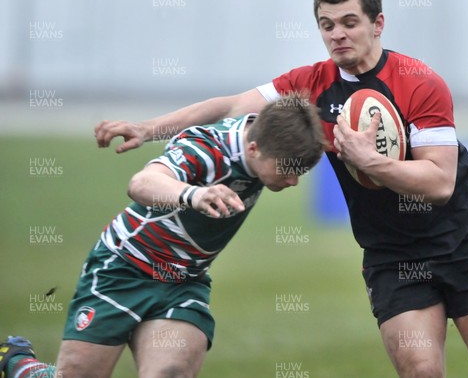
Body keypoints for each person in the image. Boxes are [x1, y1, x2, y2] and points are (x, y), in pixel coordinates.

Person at [94, 0, 468, 377]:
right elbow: (229, 106)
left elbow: (440, 183)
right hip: (393, 255)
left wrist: (371, 161)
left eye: (349, 22)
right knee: (421, 370)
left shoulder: (419, 82)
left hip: (465, 241)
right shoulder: (312, 84)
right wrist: (149, 128)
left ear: (378, 23)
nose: (337, 34)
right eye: (326, 24)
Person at [0, 94, 325, 378]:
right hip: (123, 269)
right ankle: (19, 363)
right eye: (288, 172)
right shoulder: (206, 149)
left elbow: (225, 103)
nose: (293, 182)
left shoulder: (270, 129)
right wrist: (192, 195)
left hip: (183, 282)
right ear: (253, 149)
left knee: (171, 373)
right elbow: (141, 183)